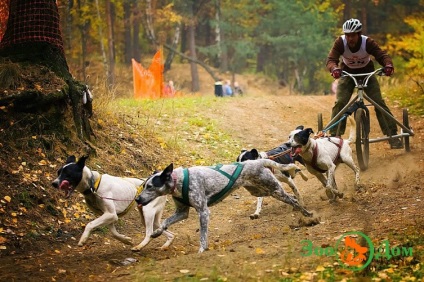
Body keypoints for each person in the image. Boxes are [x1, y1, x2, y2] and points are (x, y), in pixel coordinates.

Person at [326, 18, 403, 149]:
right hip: (347, 74)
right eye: (348, 35)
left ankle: (393, 136)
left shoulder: (367, 42)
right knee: (341, 102)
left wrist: (388, 65)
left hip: (367, 73)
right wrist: (334, 69)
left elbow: (382, 55)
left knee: (378, 102)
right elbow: (331, 59)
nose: (350, 38)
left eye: (353, 35)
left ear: (359, 34)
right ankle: (335, 137)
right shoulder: (340, 42)